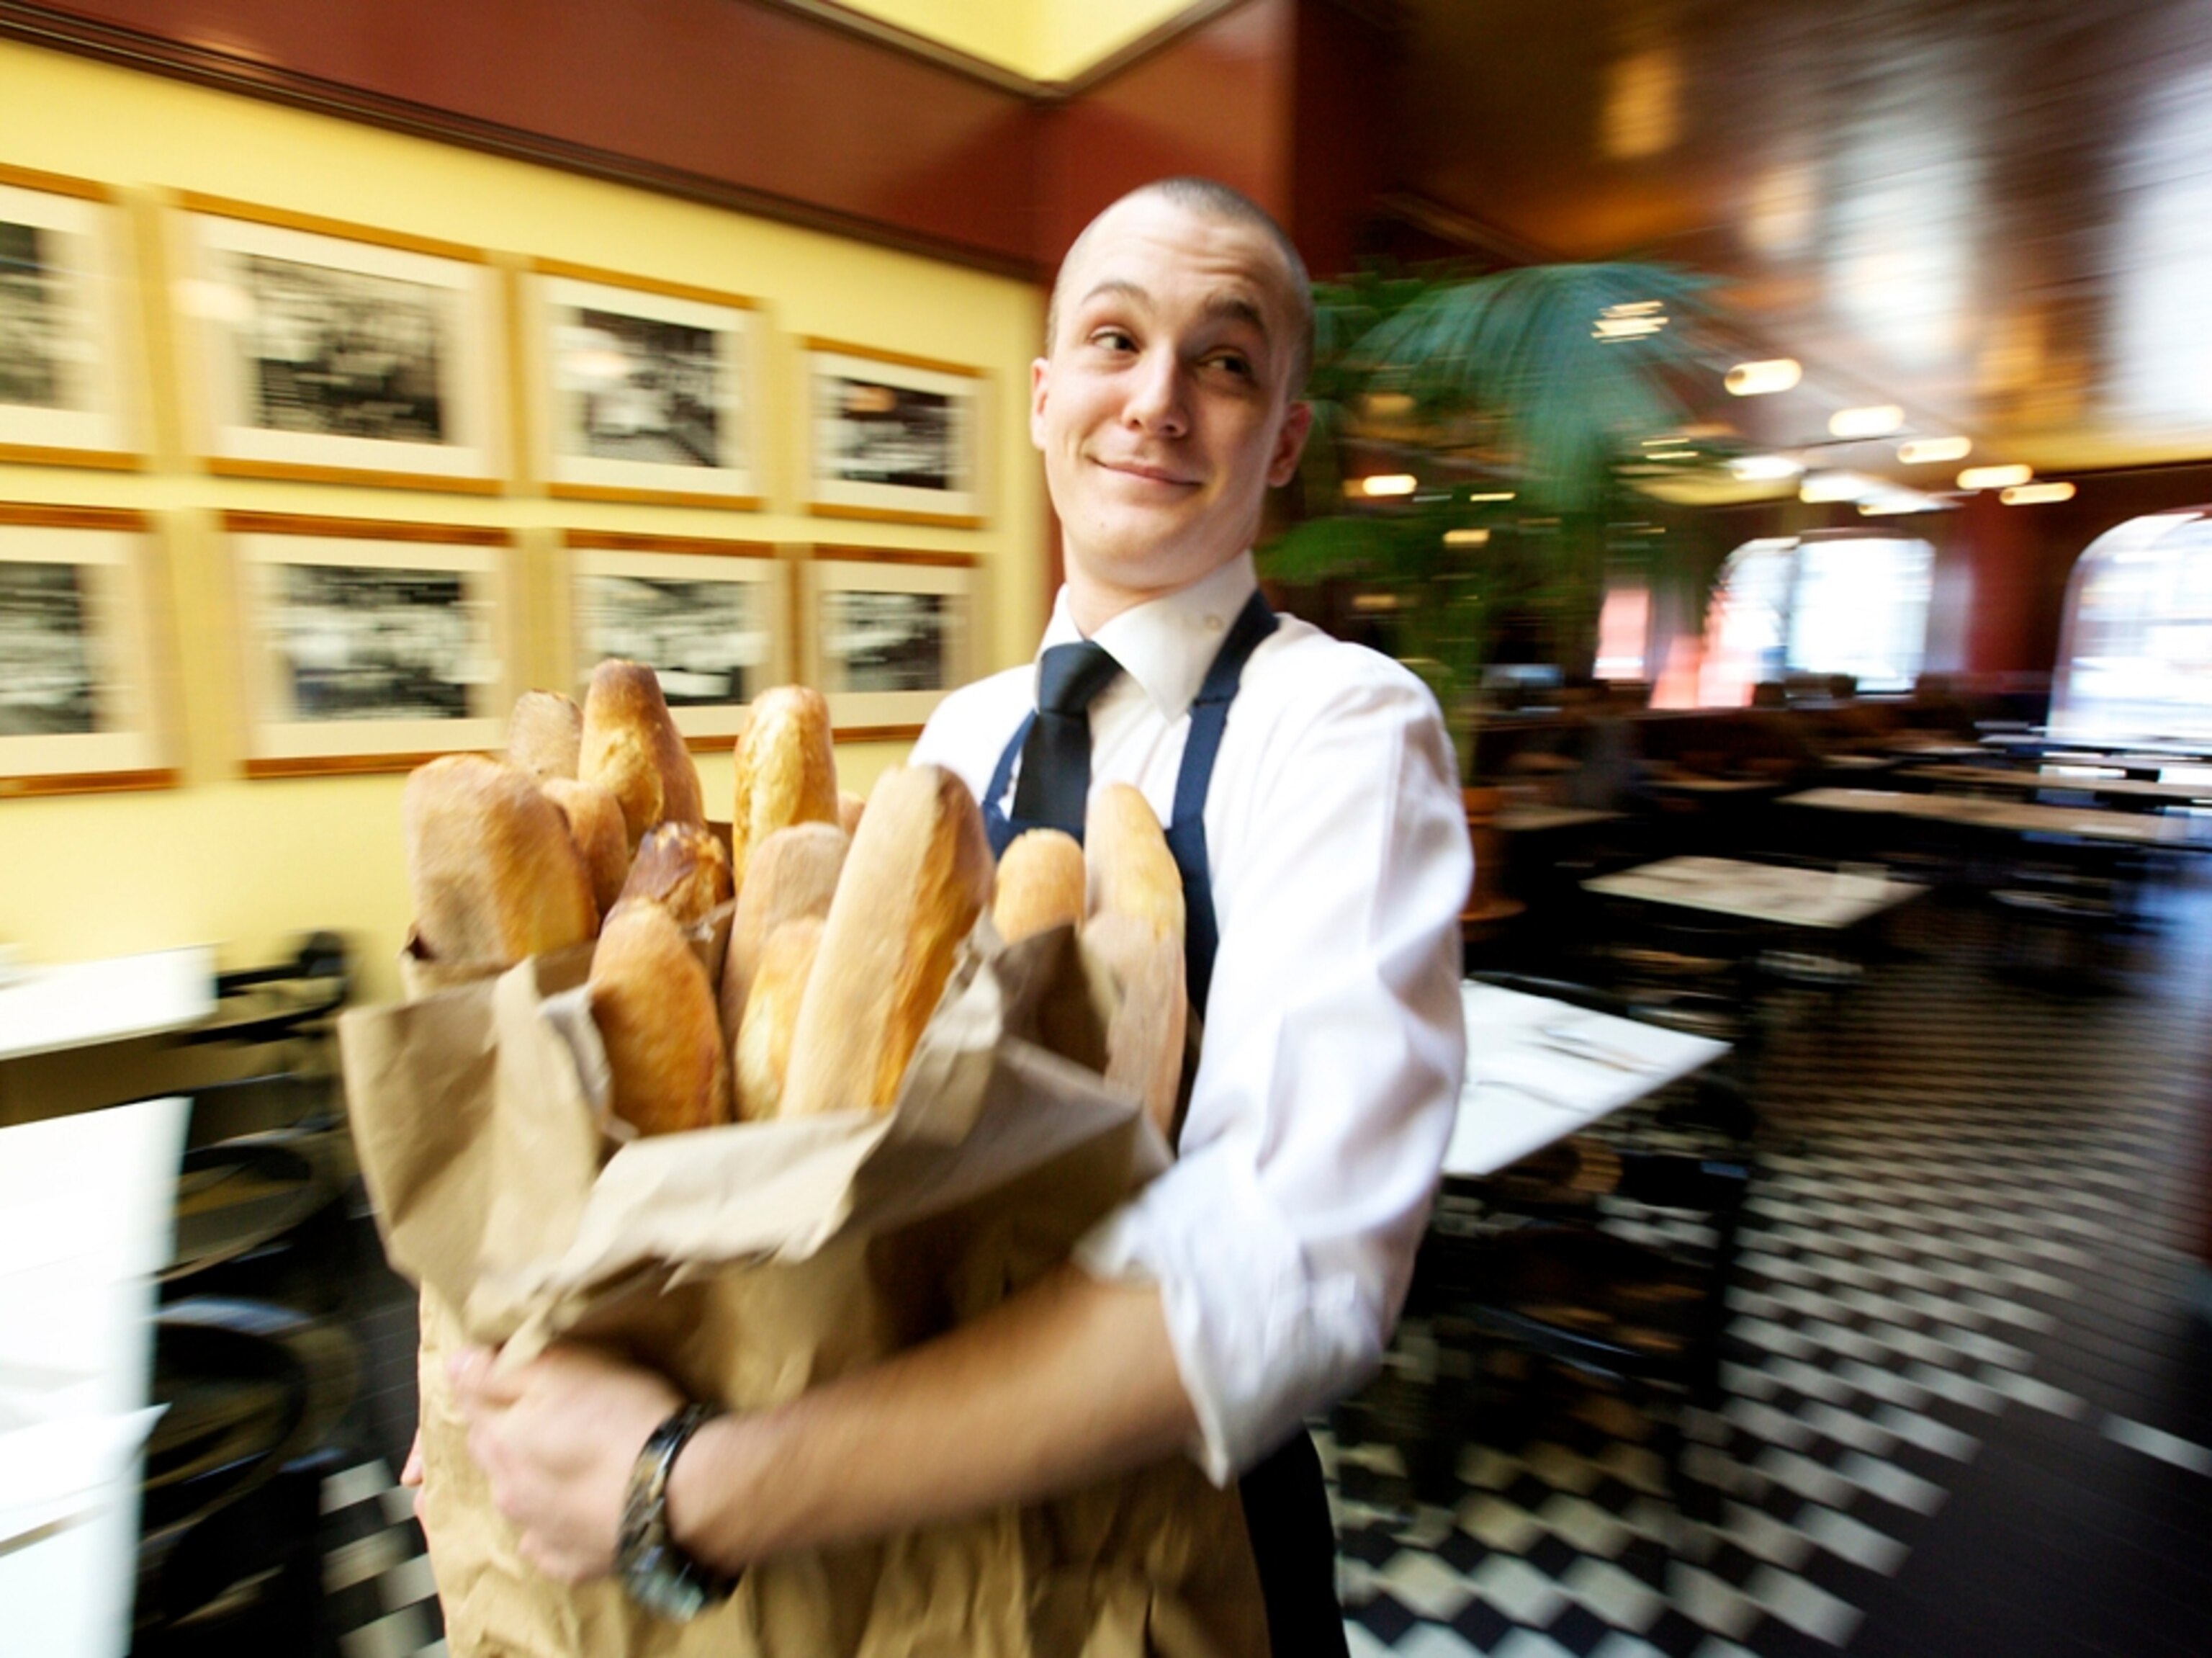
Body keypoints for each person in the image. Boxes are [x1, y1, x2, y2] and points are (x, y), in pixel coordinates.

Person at [448, 176, 1471, 1649]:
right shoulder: (964, 734)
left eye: (1227, 360)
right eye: (1116, 342)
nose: (1160, 399)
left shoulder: (1346, 729)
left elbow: (1290, 1263)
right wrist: (532, 1391)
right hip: (887, 1530)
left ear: (1288, 437)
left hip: (1156, 1540)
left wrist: (698, 1483)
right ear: (1048, 395)